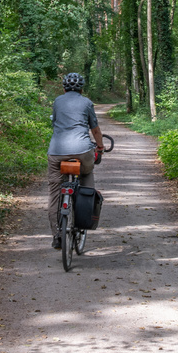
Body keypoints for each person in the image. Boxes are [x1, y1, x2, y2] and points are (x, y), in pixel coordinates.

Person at [47, 72, 104, 250]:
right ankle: (85, 203)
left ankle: (57, 236)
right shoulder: (87, 103)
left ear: (64, 88)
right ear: (81, 89)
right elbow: (95, 130)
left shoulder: (57, 101)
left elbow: (55, 123)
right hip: (82, 150)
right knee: (86, 175)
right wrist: (100, 147)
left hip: (57, 152)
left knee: (55, 193)